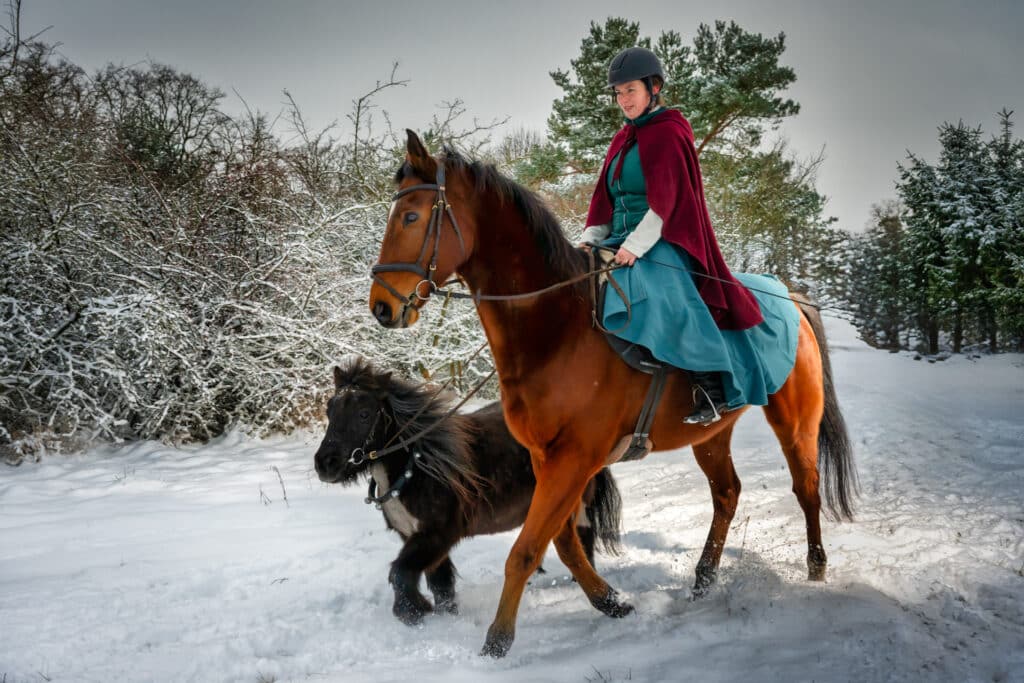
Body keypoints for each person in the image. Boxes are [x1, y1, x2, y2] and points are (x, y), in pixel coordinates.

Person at [580, 46, 782, 425]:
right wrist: (589, 239)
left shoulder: (669, 132)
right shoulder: (622, 140)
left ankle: (711, 383)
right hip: (617, 239)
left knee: (664, 291)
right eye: (618, 93)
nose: (623, 100)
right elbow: (604, 199)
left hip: (663, 239)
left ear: (653, 88)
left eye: (631, 91)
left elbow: (667, 203)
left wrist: (635, 248)